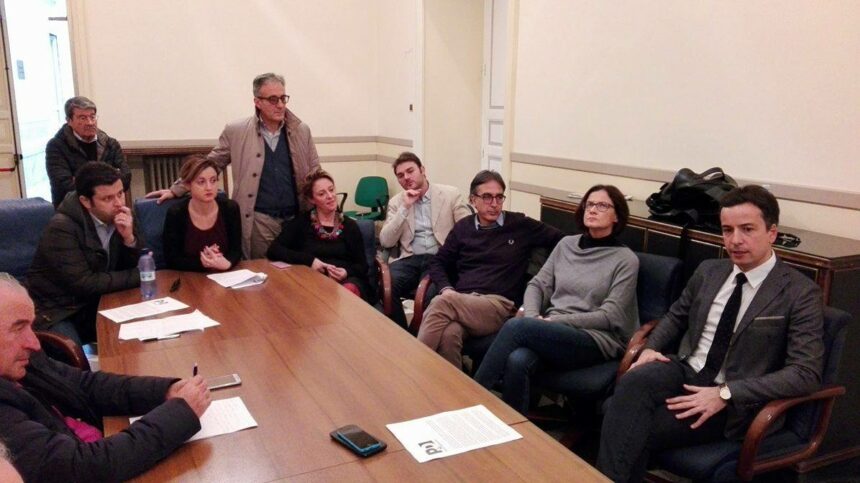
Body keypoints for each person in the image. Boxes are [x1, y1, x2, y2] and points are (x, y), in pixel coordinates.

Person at [597, 185, 824, 483]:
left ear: (772, 233)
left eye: (747, 229)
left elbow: (805, 373)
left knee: (623, 419)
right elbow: (676, 316)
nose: (735, 240)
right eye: (727, 230)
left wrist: (726, 393)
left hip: (735, 402)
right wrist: (651, 347)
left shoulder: (799, 292)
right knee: (634, 380)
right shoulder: (709, 271)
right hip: (687, 370)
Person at [0, 273, 211, 483]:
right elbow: (80, 468)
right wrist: (180, 414)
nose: (35, 344)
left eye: (31, 326)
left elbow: (85, 385)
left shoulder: (16, 361)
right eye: (18, 328)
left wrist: (164, 391)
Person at [474, 185, 639, 414]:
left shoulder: (625, 259)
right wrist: (533, 317)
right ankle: (512, 426)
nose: (593, 210)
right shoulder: (566, 245)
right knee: (518, 359)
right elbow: (537, 285)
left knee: (515, 327)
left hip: (594, 339)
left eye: (602, 205)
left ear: (617, 216)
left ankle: (470, 399)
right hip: (552, 330)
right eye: (590, 204)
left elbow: (609, 316)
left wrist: (551, 322)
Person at [148, 73, 320, 259]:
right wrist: (177, 189)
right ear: (257, 102)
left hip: (296, 219)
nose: (280, 105)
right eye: (273, 99)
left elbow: (315, 172)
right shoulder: (236, 131)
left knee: (297, 271)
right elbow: (212, 163)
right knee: (264, 270)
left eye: (283, 98)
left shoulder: (301, 131)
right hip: (260, 221)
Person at [417, 170, 564, 369]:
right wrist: (446, 288)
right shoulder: (463, 228)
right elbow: (438, 262)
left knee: (442, 302)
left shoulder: (519, 225)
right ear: (473, 200)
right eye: (487, 197)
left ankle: (413, 370)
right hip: (464, 302)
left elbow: (563, 240)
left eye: (499, 197)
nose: (494, 204)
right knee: (449, 334)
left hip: (498, 305)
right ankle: (453, 387)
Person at [26, 161, 143, 346]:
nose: (119, 203)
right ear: (85, 201)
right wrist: (138, 276)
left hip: (95, 302)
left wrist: (129, 239)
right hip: (58, 311)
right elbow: (84, 283)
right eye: (108, 198)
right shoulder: (61, 228)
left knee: (141, 334)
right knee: (71, 354)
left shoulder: (122, 216)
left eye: (120, 194)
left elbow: (140, 262)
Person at [379, 152, 471, 328]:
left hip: (440, 259)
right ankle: (401, 334)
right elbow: (385, 241)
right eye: (400, 175)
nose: (406, 177)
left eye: (410, 171)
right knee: (386, 287)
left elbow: (467, 231)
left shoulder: (450, 195)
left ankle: (418, 337)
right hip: (410, 258)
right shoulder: (397, 202)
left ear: (422, 170)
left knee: (430, 297)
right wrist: (405, 207)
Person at [267, 170, 371, 301]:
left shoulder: (350, 226)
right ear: (312, 199)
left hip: (346, 283)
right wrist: (310, 261)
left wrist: (346, 272)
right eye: (322, 194)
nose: (330, 196)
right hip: (311, 283)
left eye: (331, 190)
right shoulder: (301, 223)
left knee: (347, 292)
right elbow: (274, 250)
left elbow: (362, 266)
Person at [46, 96, 130, 208]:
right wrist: (107, 185)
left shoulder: (110, 144)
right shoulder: (56, 147)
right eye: (83, 118)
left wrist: (81, 181)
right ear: (69, 121)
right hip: (73, 210)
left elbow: (126, 177)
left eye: (92, 117)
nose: (90, 122)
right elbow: (64, 185)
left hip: (110, 207)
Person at [163, 155, 242, 272]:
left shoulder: (230, 208)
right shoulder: (176, 213)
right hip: (190, 276)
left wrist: (227, 263)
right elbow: (172, 259)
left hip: (225, 275)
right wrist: (204, 261)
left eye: (213, 181)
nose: (209, 187)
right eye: (201, 182)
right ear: (187, 185)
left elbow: (236, 251)